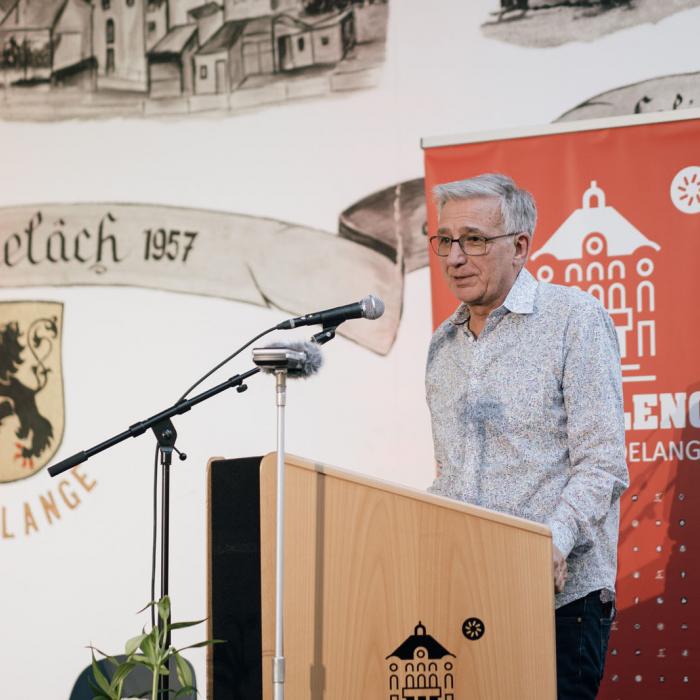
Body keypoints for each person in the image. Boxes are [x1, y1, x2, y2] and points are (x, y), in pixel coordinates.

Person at [425, 173, 628, 699]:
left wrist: (551, 541)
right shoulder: (442, 346)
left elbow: (602, 462)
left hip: (557, 603)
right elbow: (452, 473)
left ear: (520, 246)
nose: (454, 257)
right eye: (444, 240)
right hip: (464, 599)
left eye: (473, 239)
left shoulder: (573, 318)